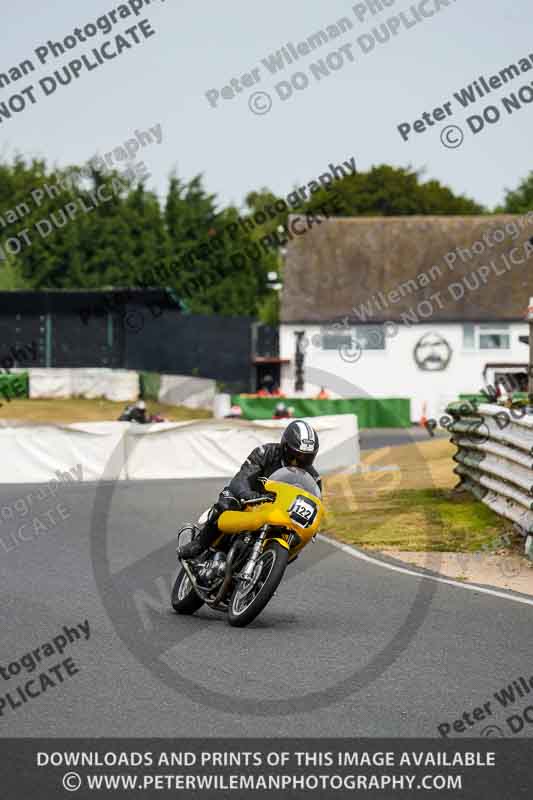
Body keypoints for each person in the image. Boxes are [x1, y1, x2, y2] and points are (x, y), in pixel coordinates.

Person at [178, 420, 321, 560]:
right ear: (284, 447)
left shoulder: (313, 477)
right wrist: (247, 494)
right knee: (226, 504)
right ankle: (199, 544)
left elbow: (315, 504)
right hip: (248, 498)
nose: (297, 461)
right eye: (294, 455)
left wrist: (313, 525)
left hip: (277, 512)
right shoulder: (265, 453)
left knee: (293, 542)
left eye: (306, 458)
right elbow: (242, 477)